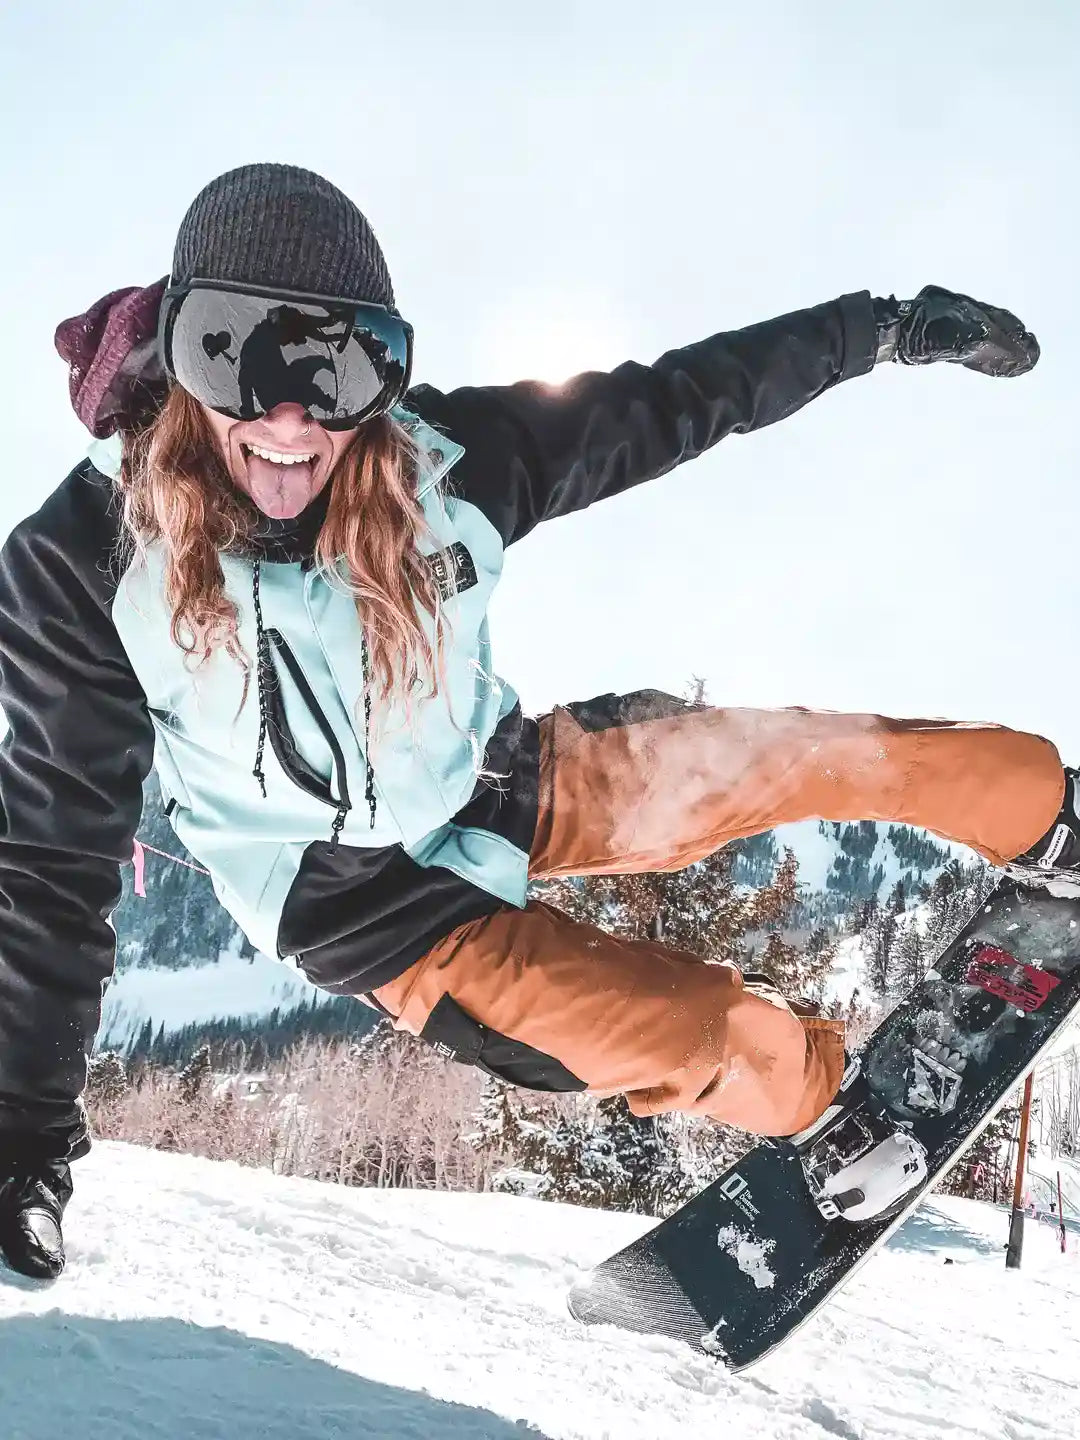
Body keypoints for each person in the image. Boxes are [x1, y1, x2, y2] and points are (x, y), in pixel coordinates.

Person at [0, 162, 1074, 1281]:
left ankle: (1051, 811)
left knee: (813, 755)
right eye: (235, 351)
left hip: (513, 776)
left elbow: (679, 400)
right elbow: (52, 864)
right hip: (381, 922)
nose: (288, 419)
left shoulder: (445, 469)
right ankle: (825, 1106)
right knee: (692, 1034)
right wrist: (21, 1137)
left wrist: (884, 330)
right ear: (177, 348)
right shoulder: (87, 560)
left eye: (340, 367)